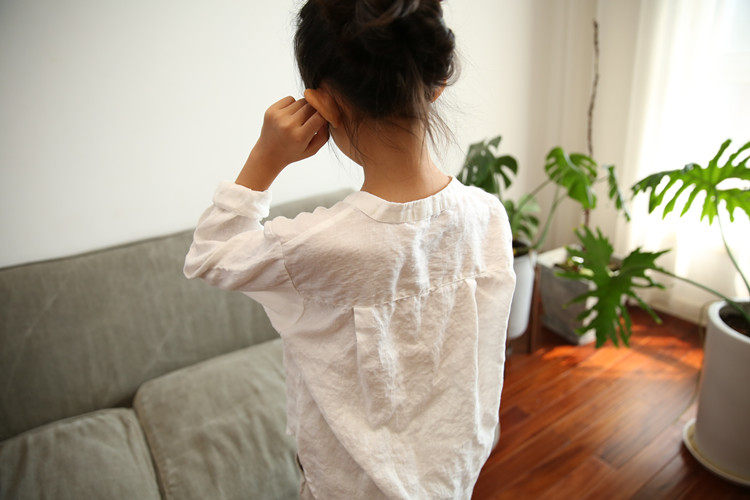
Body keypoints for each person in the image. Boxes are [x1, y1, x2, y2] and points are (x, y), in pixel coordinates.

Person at [183, 0, 517, 498]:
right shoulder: (489, 216)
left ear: (324, 105)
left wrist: (266, 157)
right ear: (439, 82)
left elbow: (210, 253)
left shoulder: (317, 247)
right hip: (451, 481)